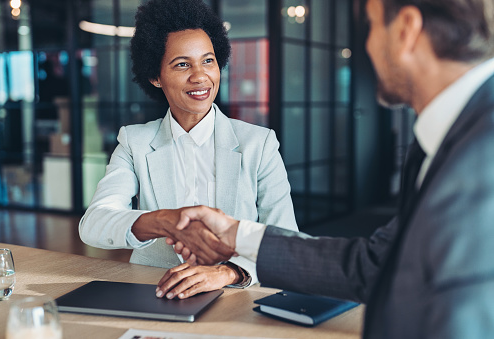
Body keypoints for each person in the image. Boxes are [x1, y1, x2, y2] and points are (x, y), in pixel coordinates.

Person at [160, 0, 494, 337]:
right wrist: (236, 234)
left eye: (372, 26)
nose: (367, 45)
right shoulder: (439, 141)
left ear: (406, 30)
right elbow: (374, 265)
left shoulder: (483, 148)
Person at [79, 0, 297, 299]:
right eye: (182, 64)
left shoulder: (259, 144)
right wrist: (166, 222)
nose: (200, 76)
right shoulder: (135, 142)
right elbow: (94, 224)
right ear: (155, 76)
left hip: (239, 295)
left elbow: (287, 238)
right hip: (156, 292)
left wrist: (229, 271)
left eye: (208, 61)